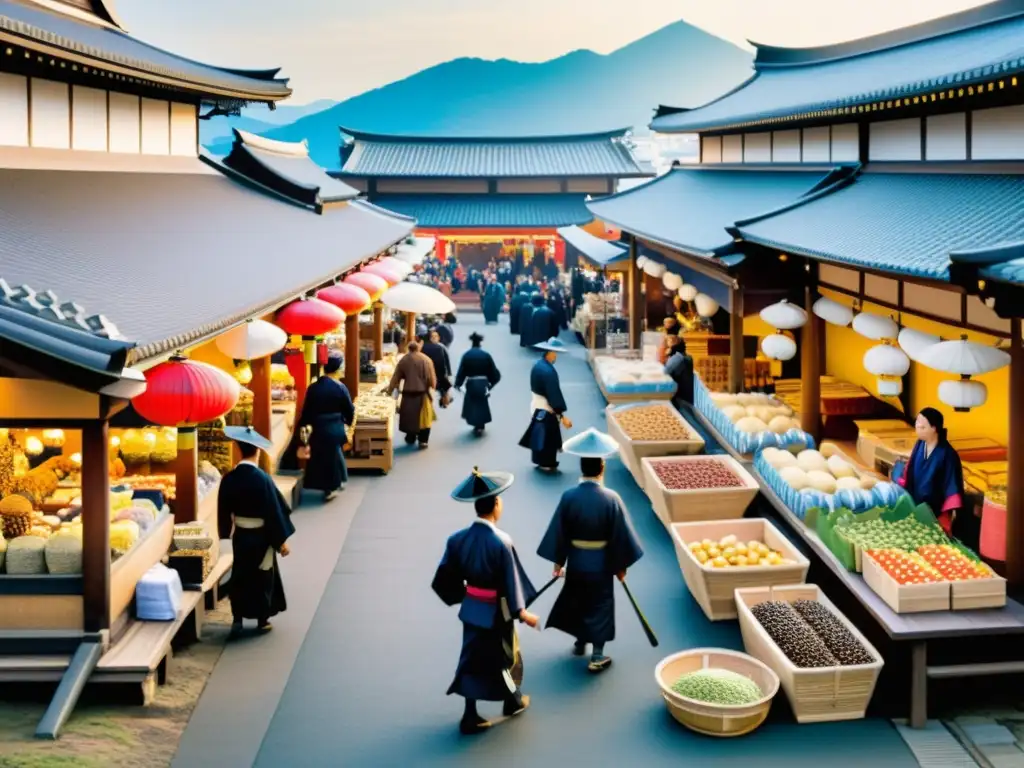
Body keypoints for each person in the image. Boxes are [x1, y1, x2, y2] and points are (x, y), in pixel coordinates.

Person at [432, 468, 539, 735]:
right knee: (506, 655)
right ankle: (511, 701)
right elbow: (511, 581)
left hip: (472, 609)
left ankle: (473, 713)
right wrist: (522, 612)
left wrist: (462, 596)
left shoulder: (456, 540)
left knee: (471, 659)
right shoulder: (501, 542)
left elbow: (444, 577)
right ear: (495, 504)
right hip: (497, 612)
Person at [536, 429, 644, 672]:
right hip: (602, 563)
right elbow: (621, 536)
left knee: (577, 599)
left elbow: (559, 532)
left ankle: (579, 641)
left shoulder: (568, 497)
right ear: (602, 468)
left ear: (581, 468)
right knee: (600, 604)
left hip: (576, 560)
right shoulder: (611, 498)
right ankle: (597, 655)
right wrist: (621, 567)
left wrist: (558, 564)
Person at [218, 426, 295, 637]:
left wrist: (225, 532)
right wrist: (280, 542)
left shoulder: (229, 479)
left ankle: (237, 619)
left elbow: (224, 510)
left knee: (241, 575)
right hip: (261, 535)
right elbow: (274, 511)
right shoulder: (262, 479)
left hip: (241, 535)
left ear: (238, 448)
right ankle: (262, 620)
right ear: (257, 450)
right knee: (263, 576)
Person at [895, 407, 967, 537]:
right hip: (916, 503)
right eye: (917, 426)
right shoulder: (919, 444)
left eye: (922, 427)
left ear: (934, 429)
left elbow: (951, 484)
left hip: (936, 509)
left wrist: (946, 515)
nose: (917, 430)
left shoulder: (948, 454)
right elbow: (910, 468)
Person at [296, 354, 354, 502]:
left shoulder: (313, 388)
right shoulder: (340, 388)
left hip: (318, 427)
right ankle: (332, 487)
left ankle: (330, 483)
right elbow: (349, 408)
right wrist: (348, 421)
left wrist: (303, 426)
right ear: (336, 370)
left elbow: (307, 410)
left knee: (321, 458)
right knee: (332, 458)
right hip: (335, 426)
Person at [519, 337, 572, 472]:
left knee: (540, 433)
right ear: (550, 353)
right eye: (555, 353)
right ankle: (547, 461)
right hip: (546, 406)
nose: (556, 356)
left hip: (537, 403)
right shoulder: (549, 372)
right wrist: (561, 414)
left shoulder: (538, 365)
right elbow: (553, 394)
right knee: (548, 436)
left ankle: (539, 459)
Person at [388, 341, 437, 448]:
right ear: (418, 348)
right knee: (424, 419)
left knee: (410, 418)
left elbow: (396, 377)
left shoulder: (404, 360)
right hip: (423, 394)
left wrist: (389, 390)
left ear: (409, 349)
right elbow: (432, 380)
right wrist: (432, 386)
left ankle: (411, 437)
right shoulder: (427, 359)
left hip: (409, 394)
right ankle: (423, 440)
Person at [455, 331, 501, 436]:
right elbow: (494, 372)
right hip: (483, 382)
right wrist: (491, 384)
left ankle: (475, 423)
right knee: (482, 403)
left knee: (472, 403)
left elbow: (461, 371)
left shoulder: (467, 355)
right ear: (480, 343)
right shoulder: (486, 355)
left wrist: (458, 383)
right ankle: (481, 425)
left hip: (471, 382)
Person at [421, 329, 453, 408]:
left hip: (435, 371)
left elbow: (446, 360)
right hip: (436, 371)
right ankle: (444, 400)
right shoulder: (438, 347)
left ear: (439, 338)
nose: (434, 338)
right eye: (433, 336)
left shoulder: (440, 347)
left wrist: (448, 373)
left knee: (441, 388)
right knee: (441, 387)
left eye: (436, 336)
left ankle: (444, 400)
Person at [665, 335, 695, 408]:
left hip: (679, 401)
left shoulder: (677, 359)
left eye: (667, 346)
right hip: (685, 399)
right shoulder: (684, 357)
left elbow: (665, 374)